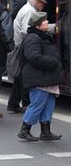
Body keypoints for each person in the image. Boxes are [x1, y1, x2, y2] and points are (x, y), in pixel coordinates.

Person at [18, 11, 63, 141]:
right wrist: (52, 62)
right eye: (45, 21)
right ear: (38, 25)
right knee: (37, 104)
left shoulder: (42, 35)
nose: (47, 22)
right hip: (39, 78)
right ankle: (24, 130)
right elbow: (33, 57)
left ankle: (45, 131)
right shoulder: (33, 38)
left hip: (45, 77)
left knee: (49, 103)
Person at [7, 0, 36, 113]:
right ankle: (20, 102)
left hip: (21, 43)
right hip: (24, 43)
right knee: (22, 74)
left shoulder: (21, 3)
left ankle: (16, 103)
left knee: (21, 74)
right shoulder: (29, 1)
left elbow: (16, 21)